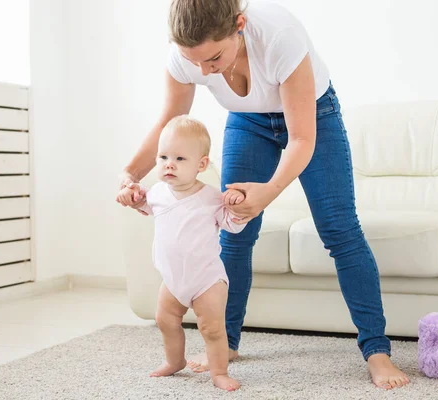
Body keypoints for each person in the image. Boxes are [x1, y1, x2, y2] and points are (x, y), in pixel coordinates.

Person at [117, 0, 410, 390]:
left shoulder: (278, 36)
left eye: (213, 58)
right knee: (236, 233)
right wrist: (130, 174)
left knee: (339, 229)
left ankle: (377, 351)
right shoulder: (186, 54)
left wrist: (268, 193)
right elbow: (169, 124)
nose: (204, 72)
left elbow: (302, 138)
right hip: (247, 121)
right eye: (195, 62)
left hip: (313, 115)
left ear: (239, 25)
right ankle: (229, 343)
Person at [117, 115, 247, 391]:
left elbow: (233, 226)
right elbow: (141, 203)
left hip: (207, 279)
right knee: (165, 320)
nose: (169, 164)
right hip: (173, 279)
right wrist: (130, 196)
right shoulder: (157, 194)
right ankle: (174, 361)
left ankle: (219, 372)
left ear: (201, 164)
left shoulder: (212, 197)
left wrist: (237, 206)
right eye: (163, 157)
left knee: (211, 329)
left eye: (179, 158)